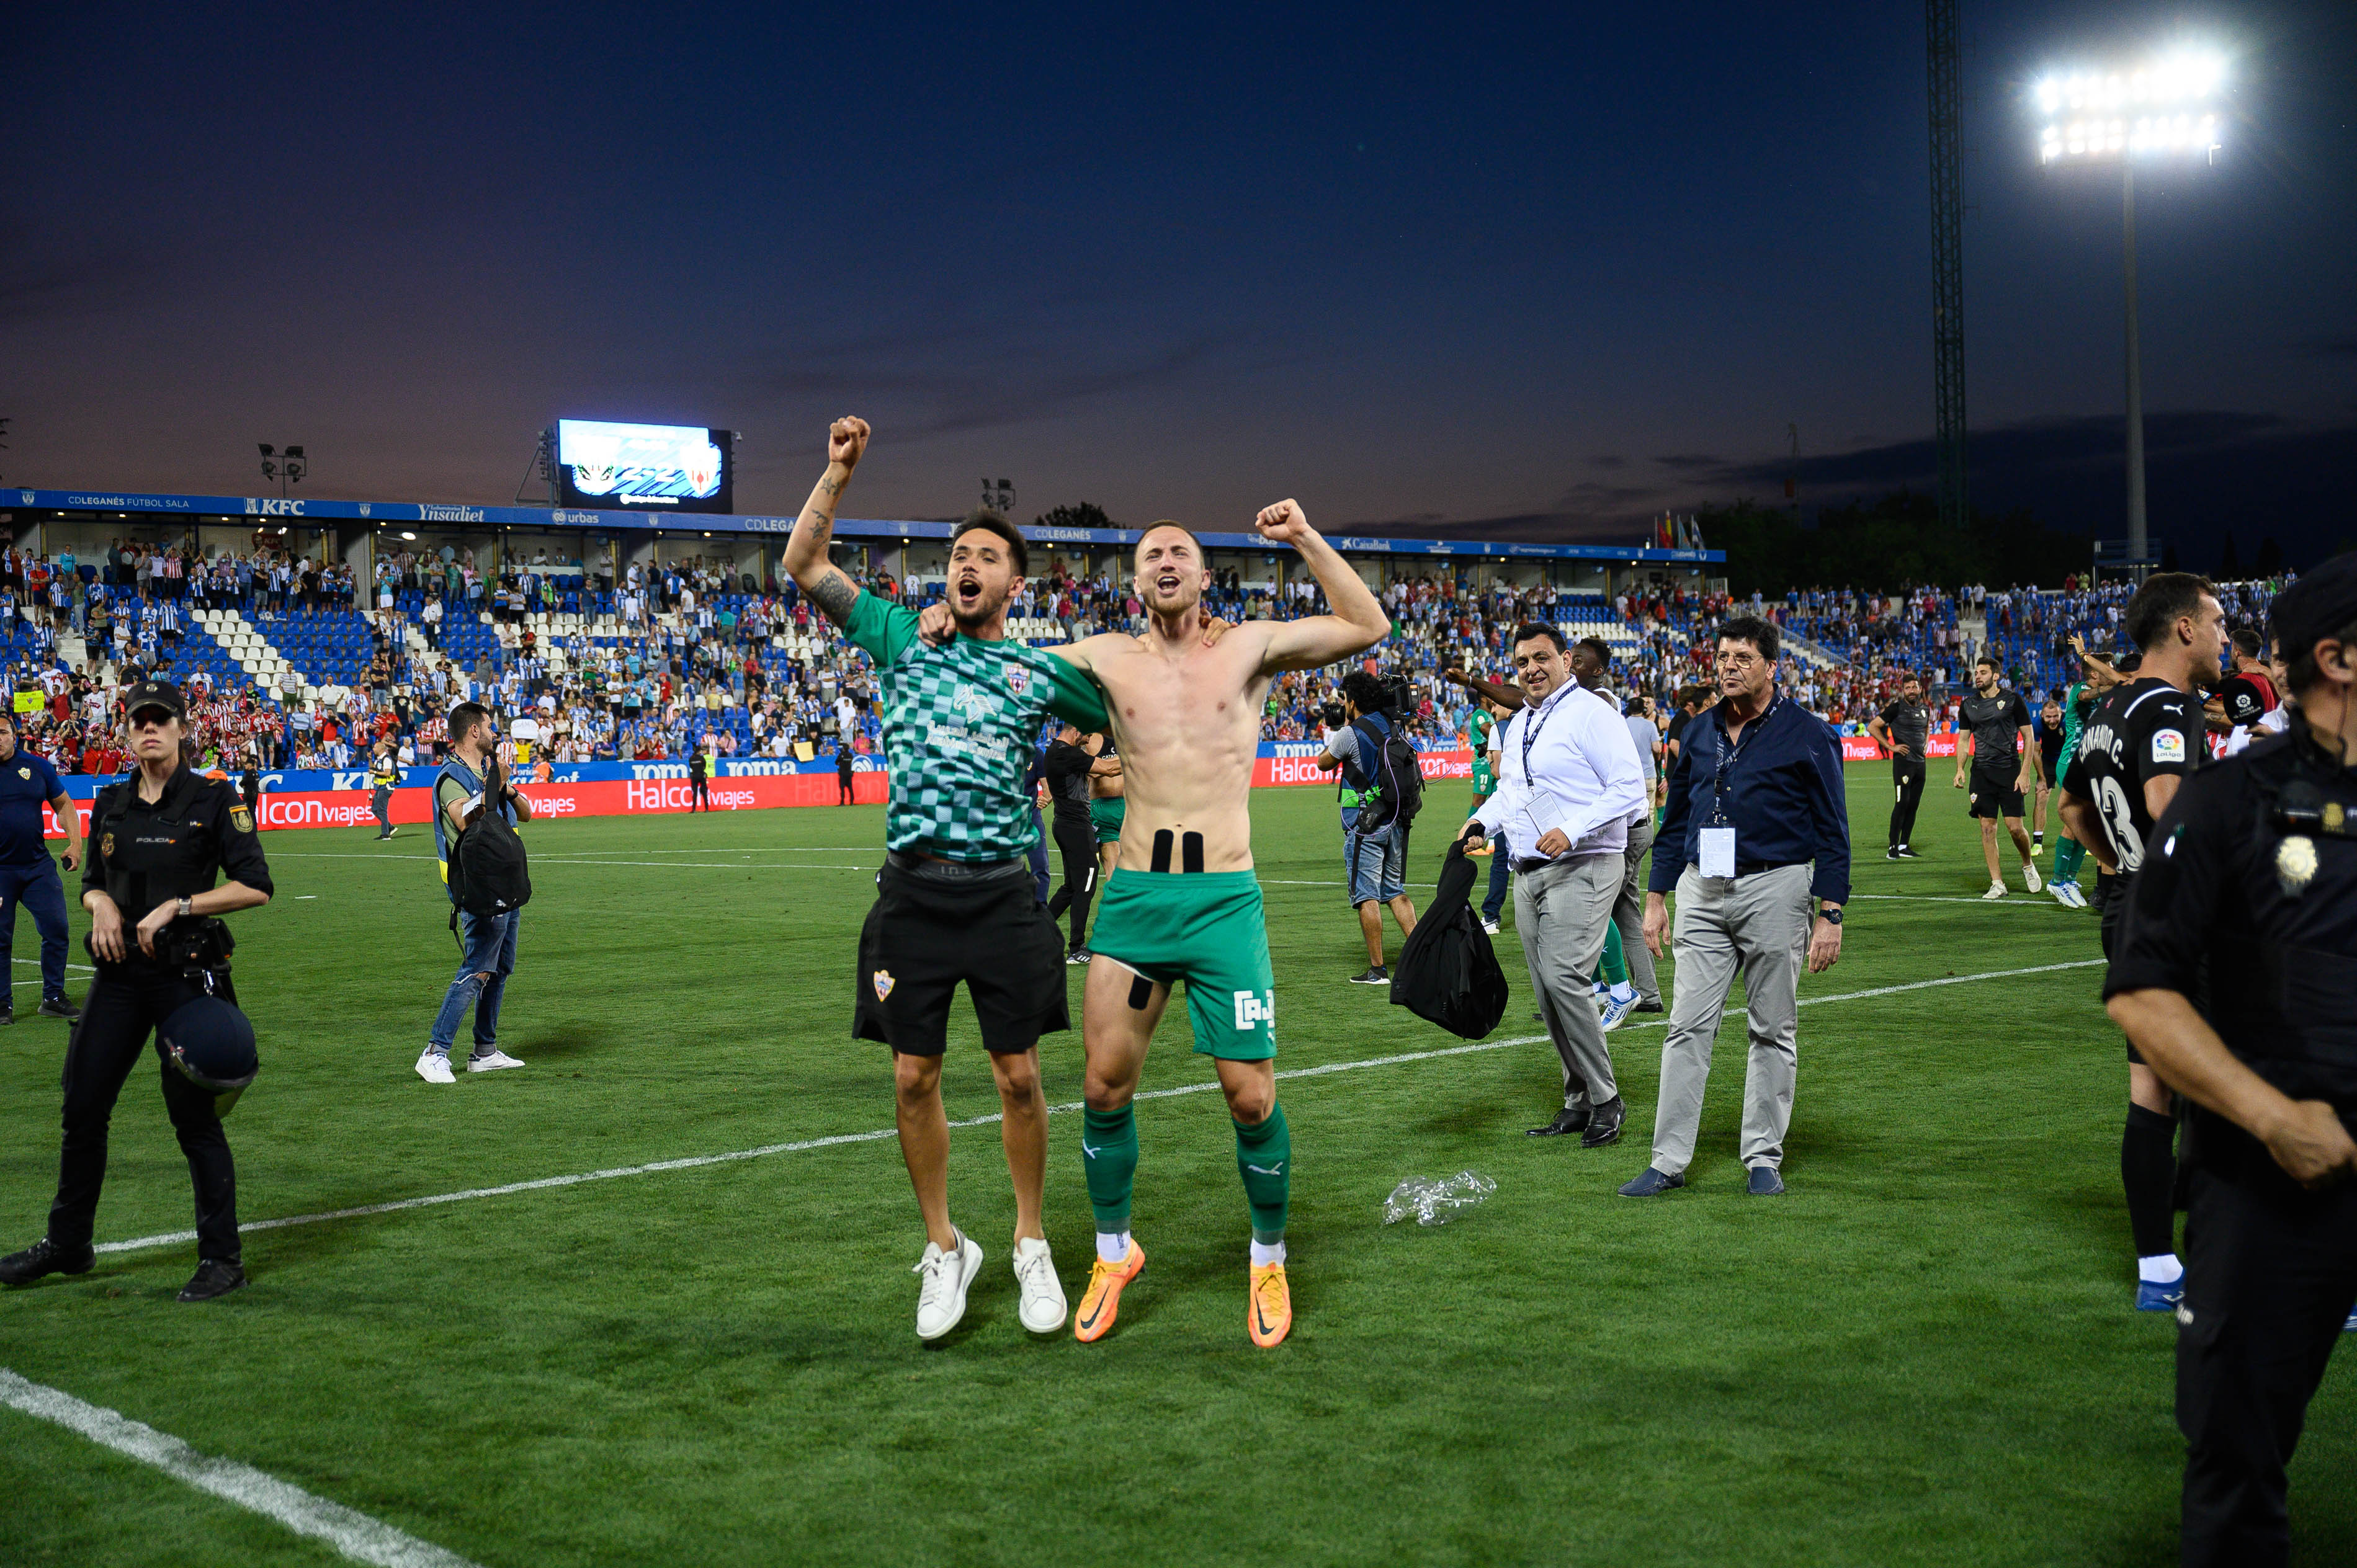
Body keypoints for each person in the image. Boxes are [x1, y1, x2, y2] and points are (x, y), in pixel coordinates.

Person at [1012, 506, 1389, 1348]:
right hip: (1139, 900)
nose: (1167, 562)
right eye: (1151, 556)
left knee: (1250, 1097)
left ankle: (1267, 1255)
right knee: (1104, 1087)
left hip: (1222, 902)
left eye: (1181, 551)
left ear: (1205, 574)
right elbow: (1002, 664)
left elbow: (1367, 624)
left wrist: (1300, 539)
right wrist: (945, 616)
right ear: (1135, 581)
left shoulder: (1249, 646)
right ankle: (1113, 1253)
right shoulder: (1104, 657)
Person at [784, 417, 1107, 1343]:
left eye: (984, 556)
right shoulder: (899, 634)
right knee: (912, 1077)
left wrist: (1102, 759)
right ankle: (944, 1247)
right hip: (913, 896)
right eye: (956, 554)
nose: (965, 564)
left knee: (1017, 1077)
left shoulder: (1041, 670)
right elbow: (805, 563)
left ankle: (1030, 1240)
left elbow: (1121, 711)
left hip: (1004, 893)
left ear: (1014, 582)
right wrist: (838, 470)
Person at [2102, 555, 2357, 1567]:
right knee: (2235, 1458)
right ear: (2334, 659)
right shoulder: (2223, 805)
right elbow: (2141, 991)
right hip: (2270, 1181)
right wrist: (2272, 1117)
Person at [0, 680, 272, 1303]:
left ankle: (223, 1258)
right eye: (138, 719)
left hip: (185, 977)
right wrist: (97, 902)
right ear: (125, 731)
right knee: (83, 1106)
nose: (150, 727)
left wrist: (178, 906)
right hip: (118, 978)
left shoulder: (214, 797)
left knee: (193, 1120)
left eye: (161, 718)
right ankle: (70, 1242)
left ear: (181, 728)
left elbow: (255, 885)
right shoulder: (114, 801)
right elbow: (94, 879)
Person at [1625, 616, 1849, 1199]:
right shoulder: (1698, 732)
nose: (1727, 665)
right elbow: (1673, 826)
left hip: (1776, 887)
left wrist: (1831, 914)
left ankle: (1762, 1157)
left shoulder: (1808, 733)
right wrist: (1655, 898)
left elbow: (1833, 830)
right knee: (1683, 1028)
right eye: (1722, 656)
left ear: (1772, 667)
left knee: (1772, 1027)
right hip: (1702, 888)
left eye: (1742, 657)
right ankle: (1667, 1160)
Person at [2057, 572, 2227, 1311]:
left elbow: (2069, 808)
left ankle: (2159, 1269)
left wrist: (2112, 864)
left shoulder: (2104, 710)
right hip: (2176, 912)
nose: (2226, 633)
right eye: (2217, 620)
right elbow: (2165, 806)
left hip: (2126, 906)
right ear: (2183, 628)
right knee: (2245, 1078)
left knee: (2152, 1089)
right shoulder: (2167, 705)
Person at [1459, 624, 1648, 1145]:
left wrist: (1574, 828)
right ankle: (1577, 1098)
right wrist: (1482, 823)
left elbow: (1629, 786)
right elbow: (1512, 792)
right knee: (1547, 992)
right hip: (1528, 870)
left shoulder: (1592, 713)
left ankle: (1607, 1099)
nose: (1530, 669)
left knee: (1565, 978)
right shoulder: (1521, 722)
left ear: (1566, 659)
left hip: (1583, 863)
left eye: (1540, 658)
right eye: (1521, 662)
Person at [416, 702, 534, 1085]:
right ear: (473, 732)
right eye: (488, 726)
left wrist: (505, 786)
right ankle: (434, 1053)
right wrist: (492, 788)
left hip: (506, 880)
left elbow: (528, 813)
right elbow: (461, 818)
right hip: (479, 884)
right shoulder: (452, 776)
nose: (494, 732)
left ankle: (484, 1051)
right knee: (479, 967)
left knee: (499, 969)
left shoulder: (487, 773)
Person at [1317, 670, 1419, 984]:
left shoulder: (1351, 733)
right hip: (1395, 821)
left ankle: (1377, 969)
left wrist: (1342, 728)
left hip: (1365, 825)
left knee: (1366, 896)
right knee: (1396, 893)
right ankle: (1424, 956)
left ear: (1352, 701)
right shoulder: (1391, 726)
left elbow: (1323, 762)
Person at [0, 708, 85, 1023]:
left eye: (3, 732)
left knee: (58, 929)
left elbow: (63, 803)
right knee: (0, 938)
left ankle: (53, 997)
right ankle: (1, 1005)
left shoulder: (36, 766)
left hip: (38, 866)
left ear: (15, 735)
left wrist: (76, 843)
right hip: (1, 872)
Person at [1951, 656, 2044, 900]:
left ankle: (2027, 864)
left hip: (2009, 770)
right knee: (1987, 828)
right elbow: (1963, 740)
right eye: (1976, 672)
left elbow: (2029, 737)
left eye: (1982, 672)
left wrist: (2025, 773)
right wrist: (1960, 768)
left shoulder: (2013, 701)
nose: (1977, 676)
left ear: (1996, 676)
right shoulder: (1969, 705)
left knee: (2015, 828)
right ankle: (1997, 883)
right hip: (1981, 772)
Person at [1042, 724, 1107, 961]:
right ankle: (1077, 948)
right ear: (1077, 730)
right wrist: (1137, 759)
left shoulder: (1056, 752)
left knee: (1071, 886)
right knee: (1087, 883)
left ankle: (1038, 934)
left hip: (1065, 825)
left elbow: (1098, 772)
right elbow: (1108, 770)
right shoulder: (1067, 753)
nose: (1089, 739)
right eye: (1088, 734)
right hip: (1076, 827)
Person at [1867, 674, 1930, 860]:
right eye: (1908, 688)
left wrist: (1927, 741)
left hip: (1921, 764)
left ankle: (1904, 845)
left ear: (1920, 689)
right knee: (1902, 804)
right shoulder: (1896, 708)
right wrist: (1890, 747)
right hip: (1904, 764)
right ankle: (1892, 847)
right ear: (1903, 690)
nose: (1912, 691)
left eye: (1915, 687)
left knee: (1914, 805)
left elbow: (1926, 727)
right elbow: (1872, 726)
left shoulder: (1925, 709)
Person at [370, 740, 399, 840]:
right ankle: (390, 827)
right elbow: (373, 768)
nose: (373, 749)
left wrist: (374, 772)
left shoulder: (386, 760)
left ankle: (385, 834)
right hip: (380, 787)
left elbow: (387, 773)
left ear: (380, 749)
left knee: (382, 810)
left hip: (386, 787)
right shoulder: (379, 760)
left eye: (375, 747)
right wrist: (370, 760)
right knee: (374, 809)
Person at [687, 743, 710, 812]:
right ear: (699, 751)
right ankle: (706, 809)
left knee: (694, 793)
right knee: (704, 792)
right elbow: (704, 767)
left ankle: (694, 809)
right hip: (701, 776)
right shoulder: (702, 758)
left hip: (694, 776)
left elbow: (691, 766)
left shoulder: (691, 759)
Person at [835, 737, 856, 805]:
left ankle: (842, 802)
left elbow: (836, 762)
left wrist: (840, 763)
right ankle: (852, 802)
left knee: (842, 788)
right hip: (849, 774)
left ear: (843, 749)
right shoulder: (851, 755)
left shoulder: (841, 755)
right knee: (850, 789)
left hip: (843, 774)